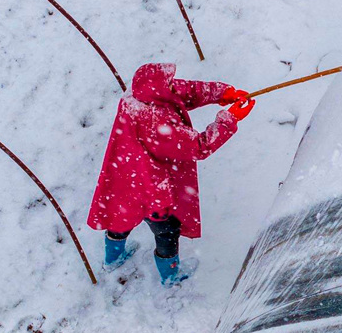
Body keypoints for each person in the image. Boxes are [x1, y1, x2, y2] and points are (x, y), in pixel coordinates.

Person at [87, 63, 254, 287]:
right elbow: (198, 146)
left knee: (121, 217)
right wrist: (229, 119)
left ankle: (113, 258)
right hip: (152, 188)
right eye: (167, 82)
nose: (172, 85)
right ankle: (170, 276)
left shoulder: (134, 98)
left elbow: (180, 91)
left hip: (126, 179)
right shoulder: (156, 120)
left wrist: (220, 93)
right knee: (167, 231)